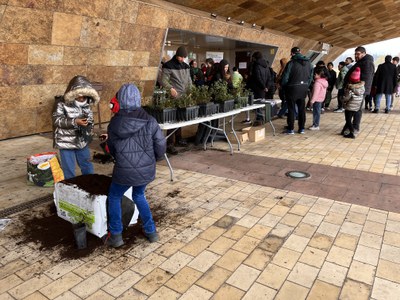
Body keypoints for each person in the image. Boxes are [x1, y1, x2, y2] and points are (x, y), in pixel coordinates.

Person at [105, 83, 166, 248]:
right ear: (138, 99)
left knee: (115, 196)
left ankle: (116, 235)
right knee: (139, 195)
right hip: (145, 170)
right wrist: (154, 159)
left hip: (123, 171)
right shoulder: (150, 120)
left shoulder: (114, 124)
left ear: (121, 100)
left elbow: (111, 149)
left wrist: (119, 158)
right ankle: (151, 231)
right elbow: (161, 146)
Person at [53, 75, 100, 179]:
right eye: (79, 95)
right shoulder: (61, 103)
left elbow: (90, 118)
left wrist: (89, 126)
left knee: (87, 164)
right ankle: (70, 188)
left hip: (81, 140)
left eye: (84, 95)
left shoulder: (86, 103)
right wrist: (75, 121)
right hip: (65, 141)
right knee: (69, 168)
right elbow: (57, 120)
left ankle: (90, 183)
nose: (82, 98)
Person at [162, 46, 192, 154]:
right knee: (172, 120)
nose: (182, 59)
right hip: (173, 97)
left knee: (180, 118)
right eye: (180, 57)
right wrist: (170, 88)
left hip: (184, 97)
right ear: (176, 55)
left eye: (184, 57)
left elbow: (189, 80)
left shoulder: (186, 66)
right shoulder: (168, 65)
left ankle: (179, 139)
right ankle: (169, 143)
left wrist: (191, 91)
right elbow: (163, 81)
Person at [281, 46, 313, 134]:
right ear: (300, 52)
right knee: (302, 109)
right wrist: (306, 86)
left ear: (292, 53)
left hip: (292, 89)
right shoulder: (309, 63)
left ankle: (290, 129)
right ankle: (301, 128)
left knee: (291, 109)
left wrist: (284, 86)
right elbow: (310, 78)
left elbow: (285, 78)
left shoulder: (291, 63)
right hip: (303, 89)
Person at [343, 46, 375, 136]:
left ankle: (355, 129)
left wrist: (354, 86)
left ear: (364, 53)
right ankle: (348, 128)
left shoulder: (367, 62)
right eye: (355, 54)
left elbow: (365, 80)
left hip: (359, 91)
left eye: (358, 54)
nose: (356, 56)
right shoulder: (362, 62)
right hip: (355, 89)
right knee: (351, 109)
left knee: (356, 110)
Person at [247, 51, 271, 125]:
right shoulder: (266, 66)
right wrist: (266, 87)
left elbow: (257, 77)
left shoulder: (256, 65)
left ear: (255, 58)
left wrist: (263, 87)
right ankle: (261, 119)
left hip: (257, 88)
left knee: (257, 104)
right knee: (261, 103)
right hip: (263, 89)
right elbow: (269, 77)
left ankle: (259, 119)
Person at [341, 67, 365, 139]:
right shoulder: (362, 87)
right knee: (350, 120)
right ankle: (344, 131)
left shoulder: (350, 88)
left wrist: (341, 99)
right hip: (357, 107)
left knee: (348, 120)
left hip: (349, 107)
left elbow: (346, 98)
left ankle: (352, 133)